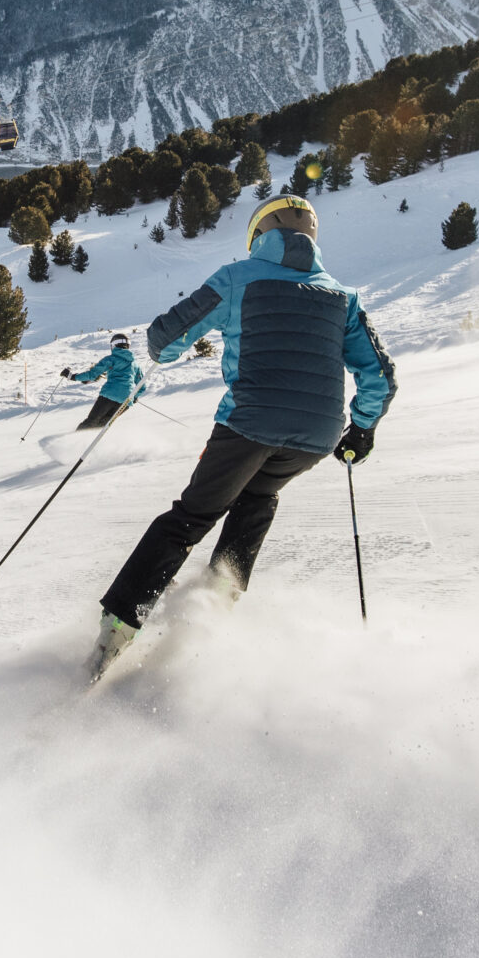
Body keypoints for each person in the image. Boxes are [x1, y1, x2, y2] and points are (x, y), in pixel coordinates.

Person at [89, 194, 394, 678]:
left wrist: (171, 350)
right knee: (257, 500)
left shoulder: (237, 278)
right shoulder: (344, 295)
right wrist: (362, 429)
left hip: (248, 423)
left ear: (258, 235)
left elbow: (164, 341)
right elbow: (380, 376)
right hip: (315, 437)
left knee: (191, 517)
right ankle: (208, 617)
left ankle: (119, 628)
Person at [60, 334, 142, 430]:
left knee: (91, 421)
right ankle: (92, 441)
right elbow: (142, 384)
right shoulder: (135, 364)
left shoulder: (111, 359)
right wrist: (135, 396)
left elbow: (92, 374)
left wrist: (72, 376)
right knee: (102, 425)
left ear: (113, 345)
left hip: (109, 395)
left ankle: (75, 441)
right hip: (126, 401)